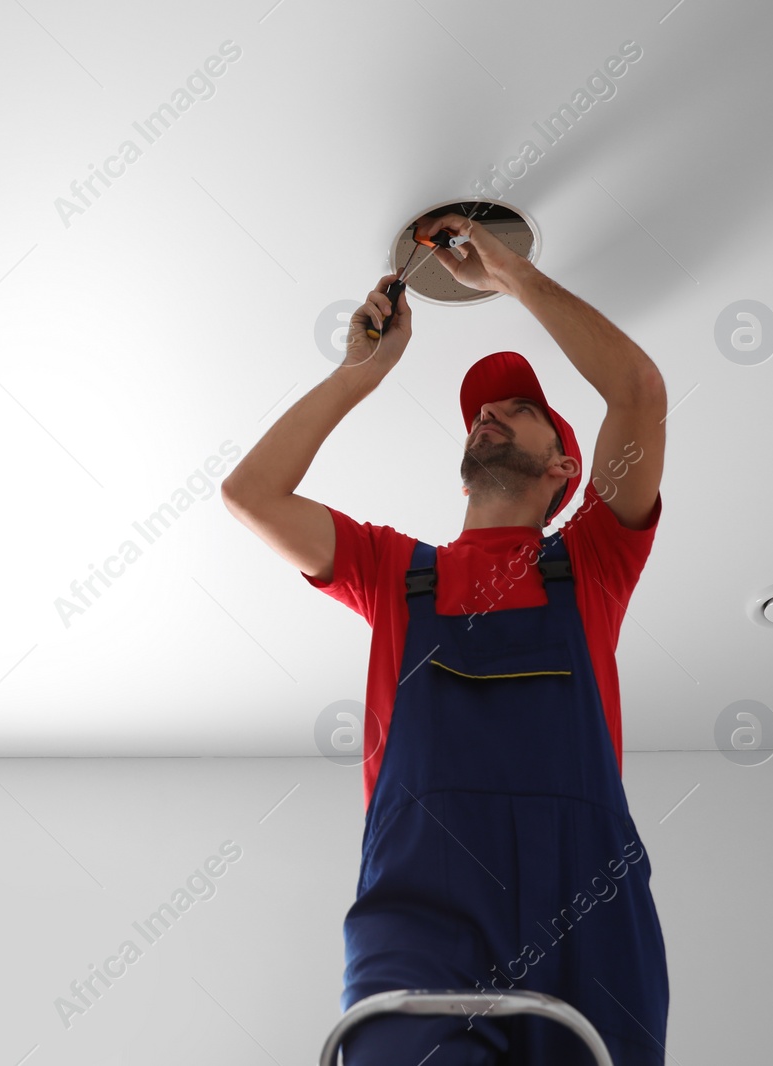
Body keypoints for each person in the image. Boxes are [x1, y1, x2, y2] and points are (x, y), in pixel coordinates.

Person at [221, 213, 671, 1064]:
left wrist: (514, 280)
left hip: (588, 903)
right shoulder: (396, 574)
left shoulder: (593, 562)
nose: (492, 411)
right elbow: (251, 494)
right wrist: (361, 373)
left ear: (564, 468)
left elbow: (637, 391)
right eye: (481, 411)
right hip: (423, 906)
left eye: (522, 408)